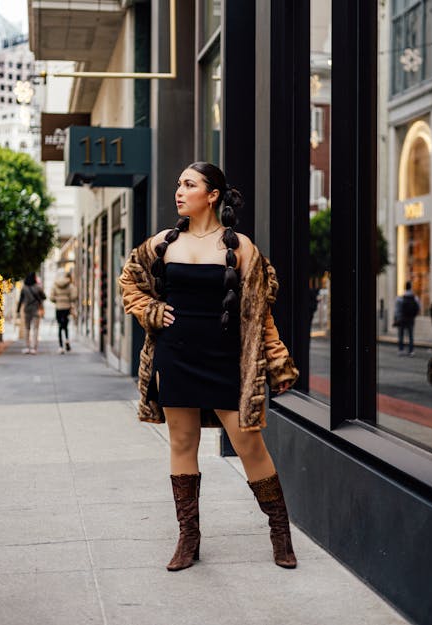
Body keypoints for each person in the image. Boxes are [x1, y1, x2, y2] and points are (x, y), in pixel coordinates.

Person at [119, 162, 299, 572]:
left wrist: (277, 363)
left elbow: (260, 314)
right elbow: (129, 280)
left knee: (249, 444)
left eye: (189, 184)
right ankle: (189, 538)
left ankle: (279, 532)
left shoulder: (241, 249)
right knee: (182, 445)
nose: (179, 191)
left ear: (212, 194)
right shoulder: (163, 243)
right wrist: (150, 309)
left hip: (225, 361)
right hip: (176, 356)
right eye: (179, 183)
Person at [16, 272, 46, 355]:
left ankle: (26, 347)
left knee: (27, 328)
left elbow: (21, 300)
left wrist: (18, 310)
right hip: (36, 309)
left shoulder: (24, 288)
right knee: (35, 329)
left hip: (27, 310)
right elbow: (44, 297)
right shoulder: (37, 287)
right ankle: (33, 348)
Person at [50, 268, 78, 354]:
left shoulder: (55, 284)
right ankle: (67, 339)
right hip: (67, 307)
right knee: (65, 325)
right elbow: (74, 296)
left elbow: (51, 297)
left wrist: (57, 300)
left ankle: (61, 347)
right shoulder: (69, 284)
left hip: (59, 308)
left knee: (59, 326)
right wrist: (68, 299)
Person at [393, 280, 420, 357]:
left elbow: (396, 310)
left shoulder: (399, 298)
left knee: (401, 335)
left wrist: (396, 319)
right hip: (411, 319)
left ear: (404, 288)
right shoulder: (415, 298)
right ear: (411, 287)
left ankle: (401, 350)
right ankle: (411, 351)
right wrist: (413, 315)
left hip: (401, 319)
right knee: (411, 335)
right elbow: (418, 308)